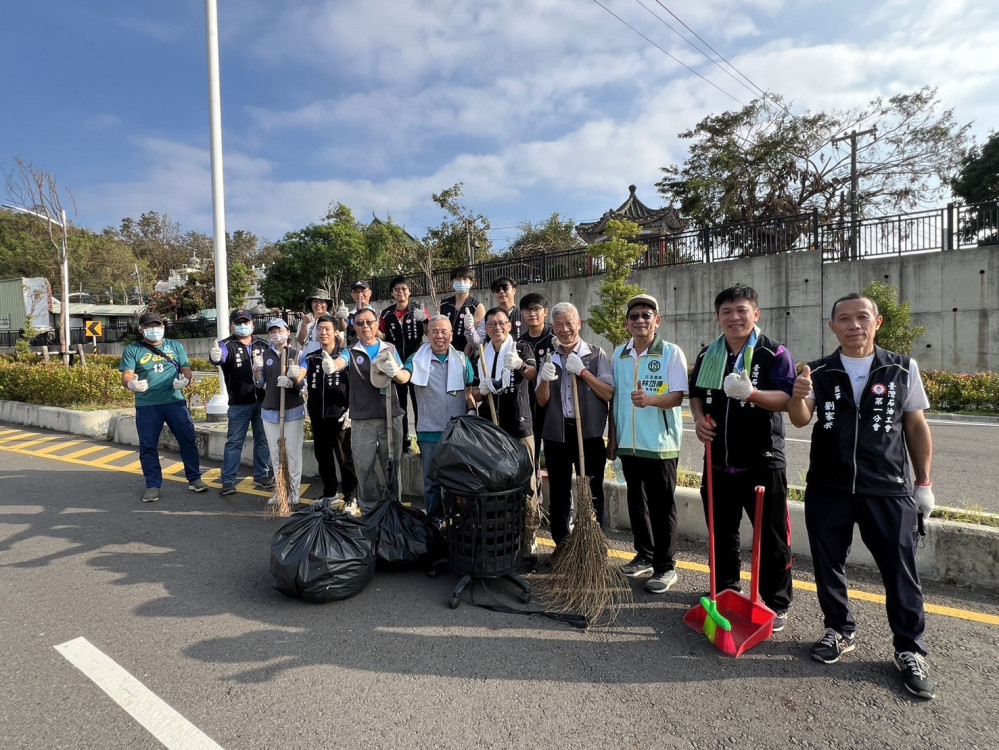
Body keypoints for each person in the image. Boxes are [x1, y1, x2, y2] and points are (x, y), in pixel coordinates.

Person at [788, 293, 937, 699]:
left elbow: (917, 427)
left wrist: (923, 484)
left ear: (877, 322)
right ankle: (838, 629)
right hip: (829, 487)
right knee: (828, 563)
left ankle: (910, 649)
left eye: (862, 317)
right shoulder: (819, 370)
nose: (854, 325)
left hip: (888, 488)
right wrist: (799, 394)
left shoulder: (902, 368)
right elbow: (800, 420)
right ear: (832, 326)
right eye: (844, 319)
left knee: (900, 569)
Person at [688, 283, 795, 632]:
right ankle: (726, 587)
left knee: (772, 535)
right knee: (721, 531)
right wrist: (699, 420)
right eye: (727, 312)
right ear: (718, 317)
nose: (734, 318)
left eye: (741, 311)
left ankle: (775, 601)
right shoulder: (708, 355)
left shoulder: (773, 353)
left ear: (756, 314)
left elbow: (787, 399)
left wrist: (753, 394)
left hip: (762, 461)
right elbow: (697, 395)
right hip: (717, 459)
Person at [607, 294, 688, 593]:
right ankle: (644, 554)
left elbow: (678, 395)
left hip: (660, 444)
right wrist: (613, 439)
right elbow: (615, 401)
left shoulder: (670, 352)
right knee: (636, 501)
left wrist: (651, 400)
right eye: (635, 316)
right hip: (629, 444)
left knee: (661, 505)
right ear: (627, 323)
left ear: (657, 320)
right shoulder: (619, 355)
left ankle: (666, 567)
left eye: (646, 315)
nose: (641, 320)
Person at [535, 302, 614, 547]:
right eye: (559, 325)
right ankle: (561, 545)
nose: (565, 329)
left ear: (579, 323)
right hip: (557, 435)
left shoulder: (595, 353)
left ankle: (592, 545)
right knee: (558, 494)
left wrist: (583, 372)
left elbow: (609, 393)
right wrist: (545, 380)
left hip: (588, 434)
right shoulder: (550, 357)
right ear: (553, 328)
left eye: (569, 323)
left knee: (591, 493)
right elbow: (541, 400)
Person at [327, 307, 409, 510]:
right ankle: (370, 508)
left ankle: (393, 507)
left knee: (392, 465)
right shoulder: (351, 351)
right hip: (363, 420)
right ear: (354, 326)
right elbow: (340, 362)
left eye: (369, 322)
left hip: (390, 416)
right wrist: (332, 365)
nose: (365, 326)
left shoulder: (389, 348)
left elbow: (402, 377)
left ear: (376, 323)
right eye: (360, 323)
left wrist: (396, 371)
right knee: (363, 466)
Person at [119, 311, 206, 502]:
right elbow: (127, 374)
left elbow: (186, 369)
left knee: (188, 439)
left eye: (157, 326)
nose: (153, 330)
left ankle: (194, 478)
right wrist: (131, 384)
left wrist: (185, 380)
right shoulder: (133, 349)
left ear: (163, 328)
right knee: (148, 445)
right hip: (148, 404)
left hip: (175, 401)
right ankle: (152, 485)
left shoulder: (175, 346)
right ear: (141, 330)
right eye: (149, 327)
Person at [403, 315, 476, 526]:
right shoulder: (416, 359)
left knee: (458, 479)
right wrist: (394, 371)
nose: (439, 335)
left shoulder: (462, 360)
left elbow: (469, 393)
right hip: (429, 431)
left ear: (452, 335)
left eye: (444, 331)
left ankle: (458, 519)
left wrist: (472, 411)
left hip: (457, 432)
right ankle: (434, 519)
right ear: (428, 333)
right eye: (435, 331)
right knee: (431, 481)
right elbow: (405, 376)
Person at [473, 306, 539, 519]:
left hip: (519, 424)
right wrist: (481, 390)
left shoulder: (521, 347)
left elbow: (532, 374)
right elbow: (474, 393)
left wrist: (520, 365)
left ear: (510, 325)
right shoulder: (482, 352)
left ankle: (530, 529)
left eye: (502, 323)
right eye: (491, 324)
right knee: (495, 479)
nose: (497, 327)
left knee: (526, 478)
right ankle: (502, 524)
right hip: (491, 428)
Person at [208, 309, 272, 495]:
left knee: (263, 440)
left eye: (246, 322)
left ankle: (261, 475)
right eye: (239, 323)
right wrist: (215, 357)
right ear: (232, 325)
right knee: (235, 442)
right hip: (239, 404)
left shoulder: (263, 344)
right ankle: (228, 480)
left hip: (262, 402)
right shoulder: (226, 345)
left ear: (253, 324)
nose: (243, 326)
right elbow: (218, 357)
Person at [303, 315, 357, 504]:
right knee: (323, 457)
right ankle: (330, 493)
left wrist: (351, 409)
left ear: (336, 332)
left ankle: (351, 496)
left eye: (327, 329)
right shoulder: (311, 358)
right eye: (320, 329)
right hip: (318, 416)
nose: (323, 332)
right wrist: (292, 378)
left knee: (345, 458)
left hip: (341, 415)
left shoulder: (346, 355)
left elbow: (356, 385)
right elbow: (300, 374)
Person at [253, 319, 307, 506]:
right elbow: (260, 385)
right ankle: (281, 490)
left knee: (292, 452)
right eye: (272, 332)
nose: (276, 335)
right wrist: (257, 369)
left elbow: (302, 383)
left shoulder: (297, 354)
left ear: (288, 332)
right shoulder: (264, 354)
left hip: (292, 409)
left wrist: (294, 379)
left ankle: (294, 490)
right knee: (276, 453)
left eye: (279, 331)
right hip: (270, 410)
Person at [378, 276, 427, 453]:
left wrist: (425, 321)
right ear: (392, 293)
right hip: (395, 364)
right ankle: (404, 443)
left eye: (404, 289)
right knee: (400, 407)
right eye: (397, 289)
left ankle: (422, 440)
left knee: (418, 403)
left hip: (416, 363)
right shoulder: (386, 314)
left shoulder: (419, 309)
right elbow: (382, 337)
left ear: (409, 291)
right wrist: (373, 326)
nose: (401, 292)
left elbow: (429, 333)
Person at [519, 292, 555, 473]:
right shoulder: (520, 343)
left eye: (536, 309)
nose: (532, 314)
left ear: (545, 312)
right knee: (530, 452)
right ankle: (534, 495)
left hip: (553, 403)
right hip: (528, 404)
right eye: (527, 310)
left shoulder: (555, 338)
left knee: (554, 454)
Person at [439, 266, 486, 353]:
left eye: (465, 279)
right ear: (452, 282)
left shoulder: (477, 307)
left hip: (465, 356)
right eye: (458, 279)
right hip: (444, 353)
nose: (461, 282)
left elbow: (474, 339)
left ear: (471, 283)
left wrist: (464, 358)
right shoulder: (443, 304)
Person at [474, 276, 525, 344]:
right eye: (497, 290)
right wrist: (469, 329)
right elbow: (478, 342)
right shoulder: (489, 317)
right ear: (494, 293)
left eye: (505, 288)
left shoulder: (524, 314)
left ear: (514, 290)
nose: (501, 292)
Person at [345, 281, 377, 346]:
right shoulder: (349, 315)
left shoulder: (378, 314)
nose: (360, 294)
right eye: (356, 292)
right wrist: (341, 318)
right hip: (354, 351)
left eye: (363, 291)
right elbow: (342, 327)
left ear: (370, 293)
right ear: (352, 295)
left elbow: (383, 336)